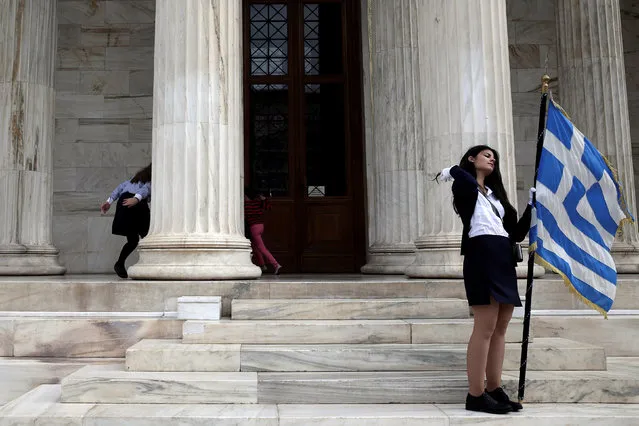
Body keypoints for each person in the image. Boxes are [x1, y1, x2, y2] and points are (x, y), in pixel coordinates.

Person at [437, 145, 535, 414]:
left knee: (501, 328)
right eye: (486, 155)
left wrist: (531, 207)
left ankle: (493, 388)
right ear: (472, 159)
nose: (492, 159)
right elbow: (465, 179)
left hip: (503, 257)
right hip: (481, 255)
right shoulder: (465, 188)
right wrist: (454, 169)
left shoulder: (496, 197)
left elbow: (515, 234)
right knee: (485, 326)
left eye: (495, 157)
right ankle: (475, 394)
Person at [100, 164, 152, 279]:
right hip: (135, 203)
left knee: (133, 240)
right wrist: (136, 198)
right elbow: (145, 189)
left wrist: (109, 201)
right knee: (148, 235)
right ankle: (150, 264)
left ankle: (120, 263)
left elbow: (120, 188)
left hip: (123, 203)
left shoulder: (133, 179)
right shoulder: (149, 179)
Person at [244, 187, 282, 274]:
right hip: (260, 226)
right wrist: (264, 199)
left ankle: (276, 265)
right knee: (255, 247)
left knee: (262, 248)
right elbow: (269, 207)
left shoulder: (246, 205)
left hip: (254, 228)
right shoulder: (257, 203)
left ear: (247, 196)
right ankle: (262, 265)